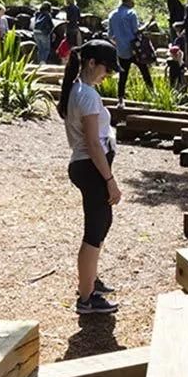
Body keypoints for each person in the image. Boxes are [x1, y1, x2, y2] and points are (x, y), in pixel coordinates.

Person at [57, 37, 122, 314]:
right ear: (91, 63)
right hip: (91, 167)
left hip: (87, 166)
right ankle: (86, 299)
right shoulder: (86, 94)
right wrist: (110, 180)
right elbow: (94, 143)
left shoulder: (80, 90)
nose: (107, 75)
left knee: (101, 224)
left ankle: (89, 279)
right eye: (106, 69)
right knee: (94, 232)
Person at [107, 0, 154, 105]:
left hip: (122, 49)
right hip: (135, 49)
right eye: (132, 1)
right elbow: (136, 30)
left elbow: (110, 35)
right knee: (144, 71)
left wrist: (118, 42)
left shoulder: (112, 15)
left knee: (123, 75)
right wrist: (148, 24)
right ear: (128, 1)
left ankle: (120, 100)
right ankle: (153, 94)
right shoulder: (131, 13)